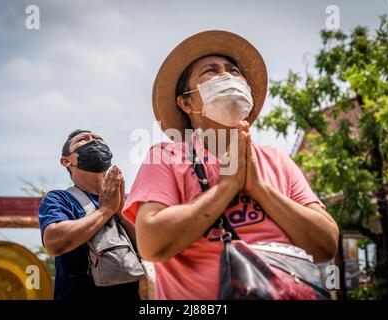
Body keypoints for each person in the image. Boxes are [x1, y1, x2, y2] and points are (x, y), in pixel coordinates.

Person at [122, 31, 340, 300]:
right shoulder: (166, 157)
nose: (227, 77)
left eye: (234, 71)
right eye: (211, 72)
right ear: (186, 102)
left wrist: (259, 188)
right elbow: (152, 243)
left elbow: (326, 244)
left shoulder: (276, 158)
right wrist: (227, 186)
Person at [38, 129, 139, 300]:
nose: (94, 141)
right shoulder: (60, 199)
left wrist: (121, 213)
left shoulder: (128, 200)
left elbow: (149, 249)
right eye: (83, 140)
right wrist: (104, 211)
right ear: (66, 161)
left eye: (99, 139)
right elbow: (54, 243)